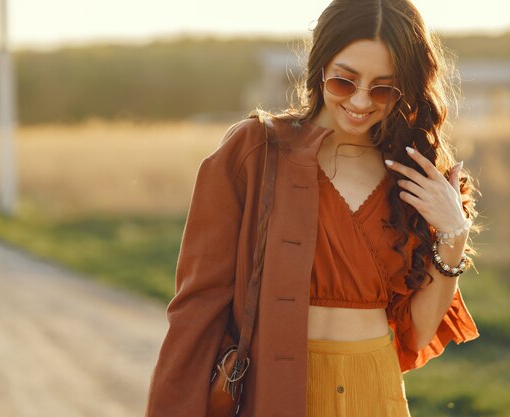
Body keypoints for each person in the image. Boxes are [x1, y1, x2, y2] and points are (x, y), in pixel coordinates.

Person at [145, 0, 481, 416]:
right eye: (345, 81)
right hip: (276, 390)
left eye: (382, 88)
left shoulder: (414, 174)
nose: (360, 101)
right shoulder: (255, 151)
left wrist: (453, 235)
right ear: (320, 65)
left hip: (376, 394)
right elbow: (197, 305)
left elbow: (417, 334)